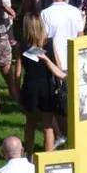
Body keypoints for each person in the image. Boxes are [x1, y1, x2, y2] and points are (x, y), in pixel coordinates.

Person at [18, 13, 66, 153]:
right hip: (47, 87)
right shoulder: (49, 43)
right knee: (48, 126)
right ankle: (49, 157)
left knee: (30, 124)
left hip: (30, 87)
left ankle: (28, 155)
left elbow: (17, 73)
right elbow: (59, 64)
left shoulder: (22, 46)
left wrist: (16, 90)